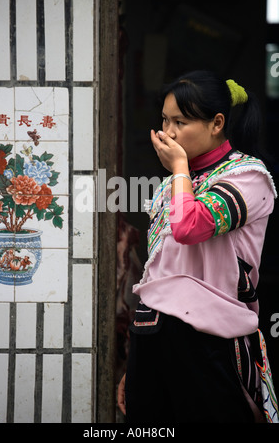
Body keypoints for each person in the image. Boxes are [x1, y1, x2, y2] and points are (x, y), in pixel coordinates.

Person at [117, 70, 278, 423]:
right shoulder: (177, 182)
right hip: (152, 332)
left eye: (181, 121)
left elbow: (191, 227)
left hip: (207, 340)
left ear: (217, 123)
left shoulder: (247, 176)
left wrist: (177, 169)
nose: (168, 132)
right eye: (164, 120)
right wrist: (137, 363)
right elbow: (161, 271)